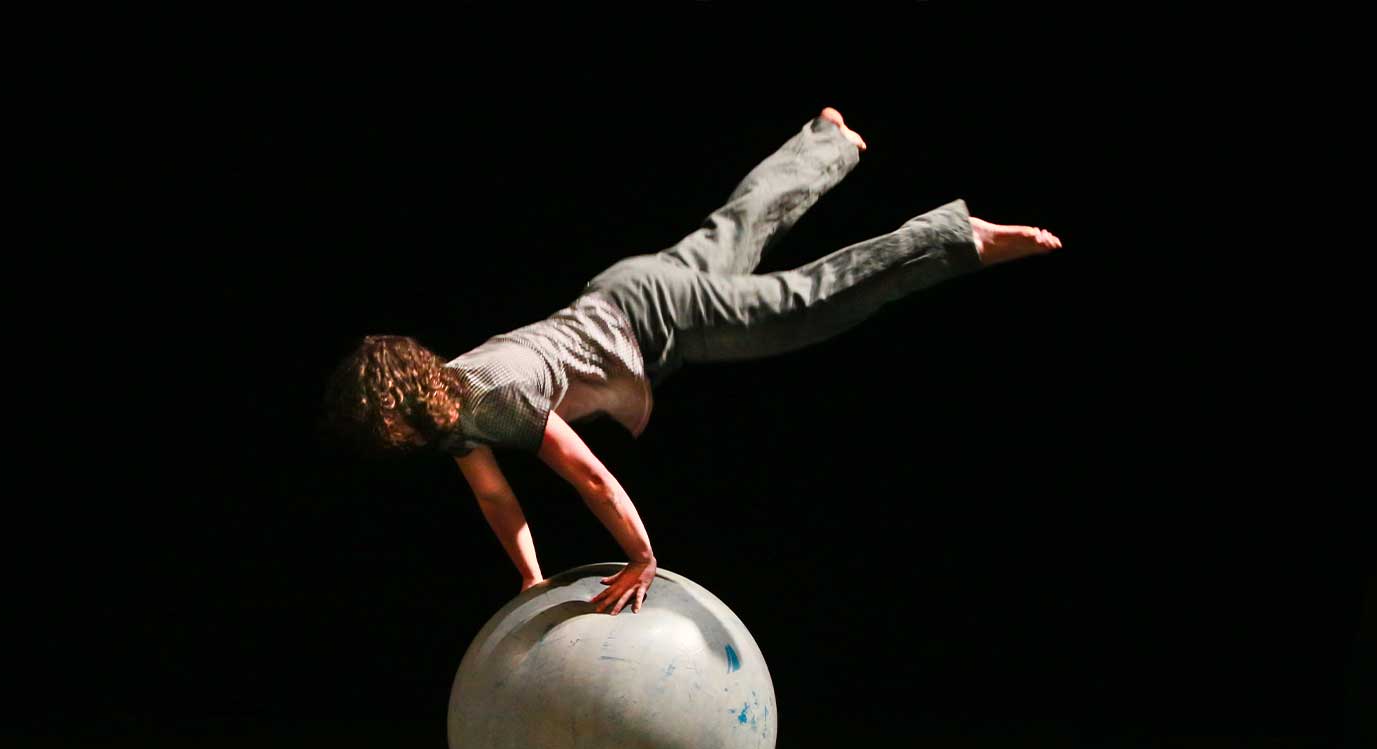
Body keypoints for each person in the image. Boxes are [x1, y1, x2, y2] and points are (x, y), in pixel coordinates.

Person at [322, 107, 1062, 616]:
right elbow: (494, 497)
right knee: (739, 226)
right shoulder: (452, 409)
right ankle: (829, 140)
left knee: (807, 303)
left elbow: (589, 475)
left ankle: (953, 236)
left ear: (398, 412)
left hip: (660, 321)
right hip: (626, 290)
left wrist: (641, 557)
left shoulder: (496, 396)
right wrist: (531, 578)